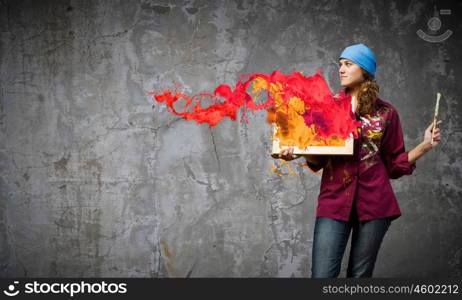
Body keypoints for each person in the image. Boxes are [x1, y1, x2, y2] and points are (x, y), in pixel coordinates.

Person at [274, 43, 442, 278]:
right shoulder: (326, 108)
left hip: (375, 204)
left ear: (364, 70)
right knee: (322, 276)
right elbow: (318, 159)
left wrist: (425, 145)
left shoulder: (386, 113)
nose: (341, 69)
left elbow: (394, 165)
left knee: (359, 278)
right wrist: (300, 151)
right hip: (334, 201)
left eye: (348, 64)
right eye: (340, 64)